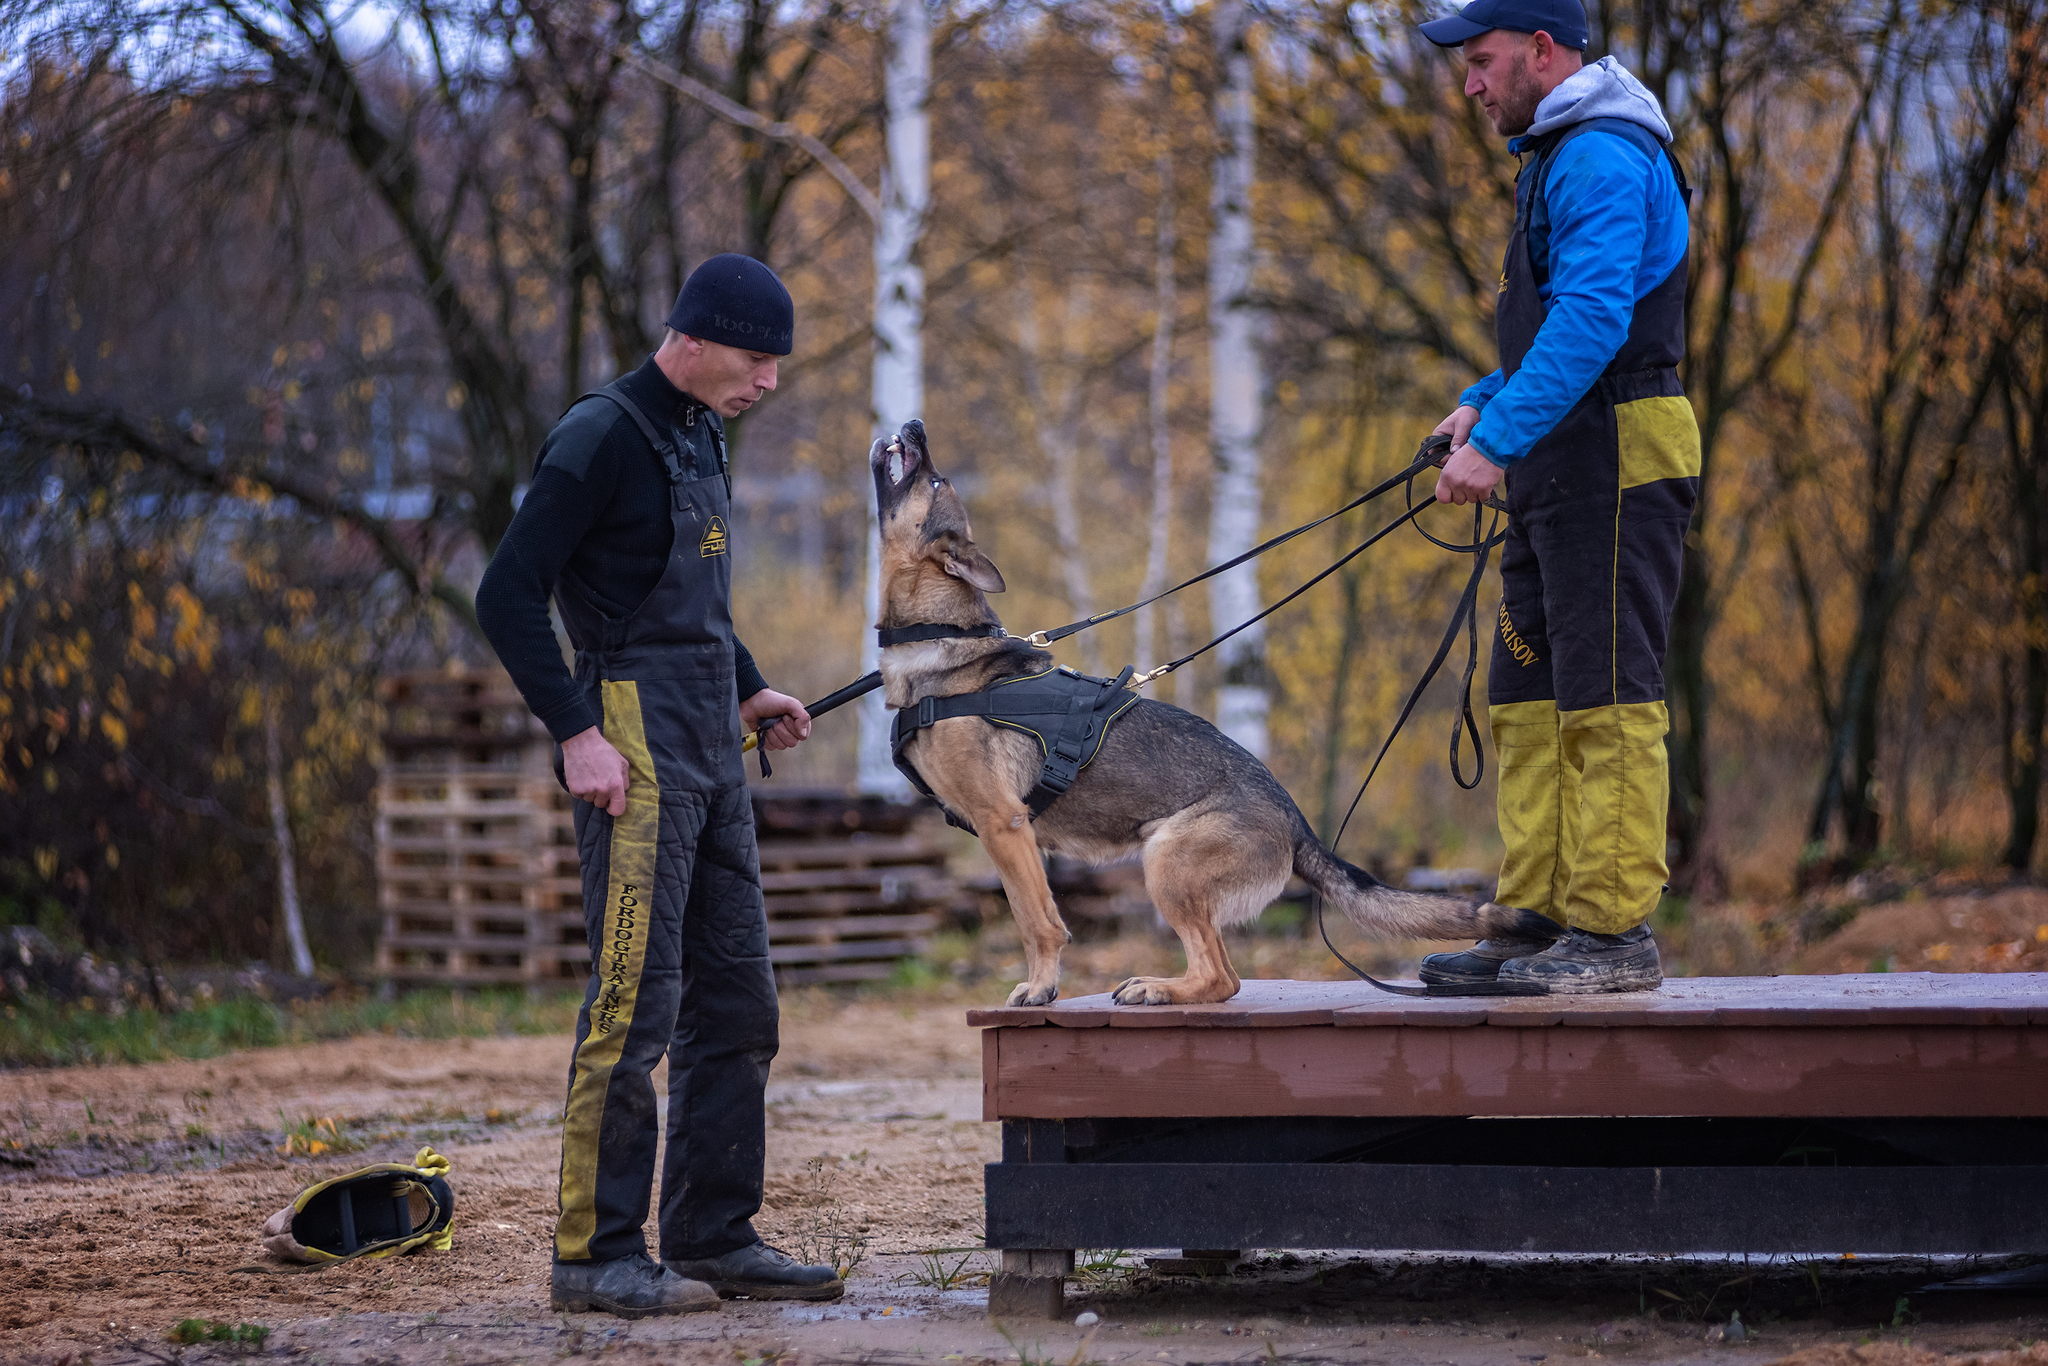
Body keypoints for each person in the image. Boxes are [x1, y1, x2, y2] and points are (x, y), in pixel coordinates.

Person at [476, 253, 839, 1317]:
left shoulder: (702, 430)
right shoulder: (598, 436)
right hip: (630, 744)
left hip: (710, 748)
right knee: (634, 1007)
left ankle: (713, 1234)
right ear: (692, 336)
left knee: (738, 1003)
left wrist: (750, 687)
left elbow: (694, 609)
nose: (767, 380)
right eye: (755, 359)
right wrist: (575, 733)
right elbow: (507, 594)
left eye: (776, 364)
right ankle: (594, 1254)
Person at [1416, 0, 1698, 994]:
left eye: (1483, 60)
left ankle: (1613, 932)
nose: (1470, 83)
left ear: (1543, 50)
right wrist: (1478, 405)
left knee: (1608, 695)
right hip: (1558, 459)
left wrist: (1495, 440)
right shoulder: (1554, 153)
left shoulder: (1603, 156)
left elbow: (1591, 318)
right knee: (1528, 699)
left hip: (1615, 457)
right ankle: (1534, 915)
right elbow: (1556, 336)